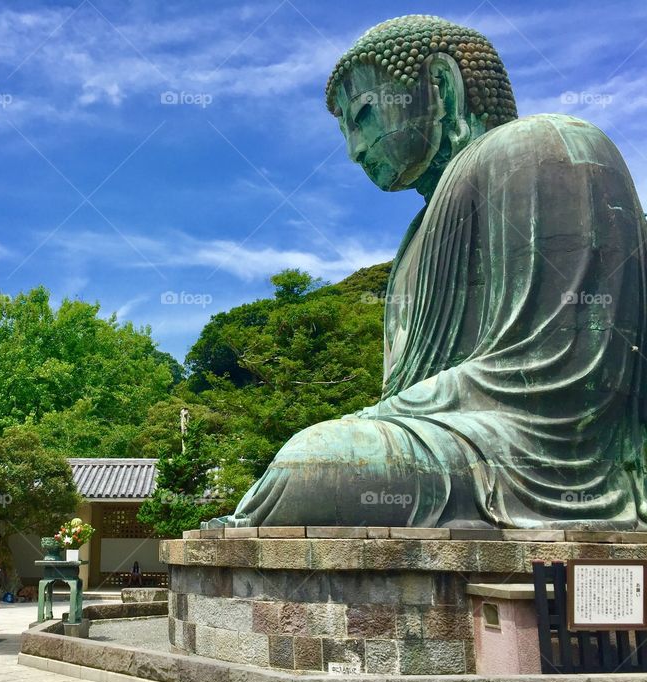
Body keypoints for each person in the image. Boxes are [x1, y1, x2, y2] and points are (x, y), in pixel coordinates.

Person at [212, 14, 647, 530]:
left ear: (439, 86)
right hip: (453, 439)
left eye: (365, 115)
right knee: (318, 459)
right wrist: (383, 418)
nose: (354, 150)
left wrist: (376, 420)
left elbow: (567, 372)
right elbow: (407, 397)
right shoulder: (414, 239)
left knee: (314, 461)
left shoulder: (544, 147)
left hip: (541, 456)